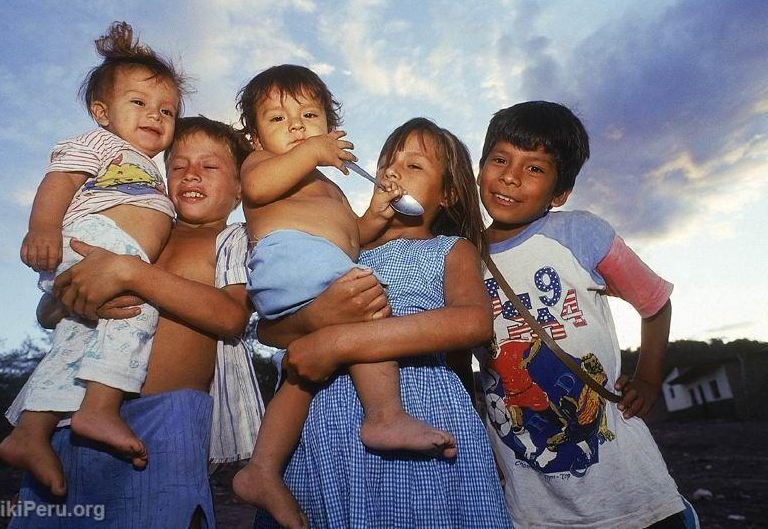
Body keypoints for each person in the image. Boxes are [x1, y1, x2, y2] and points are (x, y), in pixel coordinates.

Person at [253, 118, 513, 528]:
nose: (392, 173)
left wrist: (341, 342)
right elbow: (269, 330)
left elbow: (473, 323)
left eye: (414, 166)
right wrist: (319, 318)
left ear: (447, 194)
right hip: (327, 422)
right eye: (387, 164)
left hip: (423, 406)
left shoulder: (450, 250)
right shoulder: (340, 251)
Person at [8, 116, 265, 528]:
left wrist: (131, 273)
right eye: (178, 165)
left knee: (166, 515)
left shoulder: (232, 239)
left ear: (239, 188)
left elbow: (230, 317)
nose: (191, 173)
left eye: (209, 166)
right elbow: (49, 312)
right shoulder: (143, 235)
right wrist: (80, 301)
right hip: (70, 411)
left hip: (164, 419)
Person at [232, 66, 456, 526]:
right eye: (277, 119)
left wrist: (374, 213)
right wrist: (313, 149)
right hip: (290, 256)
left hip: (314, 267)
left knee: (303, 376)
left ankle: (262, 468)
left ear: (330, 123)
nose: (295, 126)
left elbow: (351, 239)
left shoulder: (329, 187)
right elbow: (255, 189)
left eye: (309, 115)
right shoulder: (259, 167)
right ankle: (384, 414)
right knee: (369, 308)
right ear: (255, 139)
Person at [474, 101, 696, 528]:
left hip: (631, 490)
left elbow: (654, 302)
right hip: (533, 502)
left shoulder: (581, 232)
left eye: (534, 168)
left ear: (560, 193)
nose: (510, 176)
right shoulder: (462, 258)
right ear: (481, 168)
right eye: (500, 159)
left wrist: (649, 379)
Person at [0, 21, 187, 495]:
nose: (155, 115)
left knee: (75, 341)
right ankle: (99, 410)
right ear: (102, 113)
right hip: (94, 241)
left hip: (108, 249)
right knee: (138, 306)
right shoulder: (101, 143)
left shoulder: (152, 169)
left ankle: (30, 432)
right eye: (139, 103)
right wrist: (42, 227)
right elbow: (58, 180)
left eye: (167, 110)